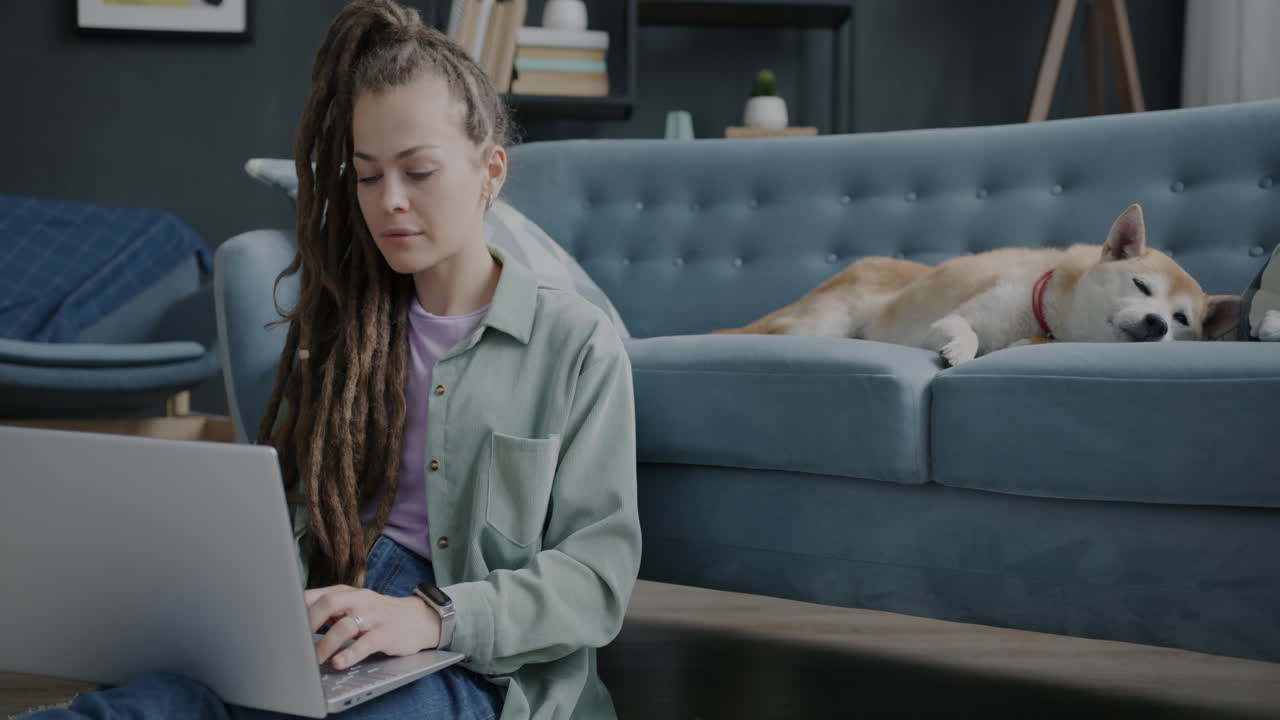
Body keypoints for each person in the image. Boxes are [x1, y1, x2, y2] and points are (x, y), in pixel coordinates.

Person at [28, 0, 641, 718]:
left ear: (490, 170)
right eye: (368, 175)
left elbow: (595, 578)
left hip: (474, 659)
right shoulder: (341, 335)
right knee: (143, 706)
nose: (390, 203)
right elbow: (279, 513)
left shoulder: (576, 346)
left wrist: (431, 614)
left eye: (418, 171)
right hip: (322, 612)